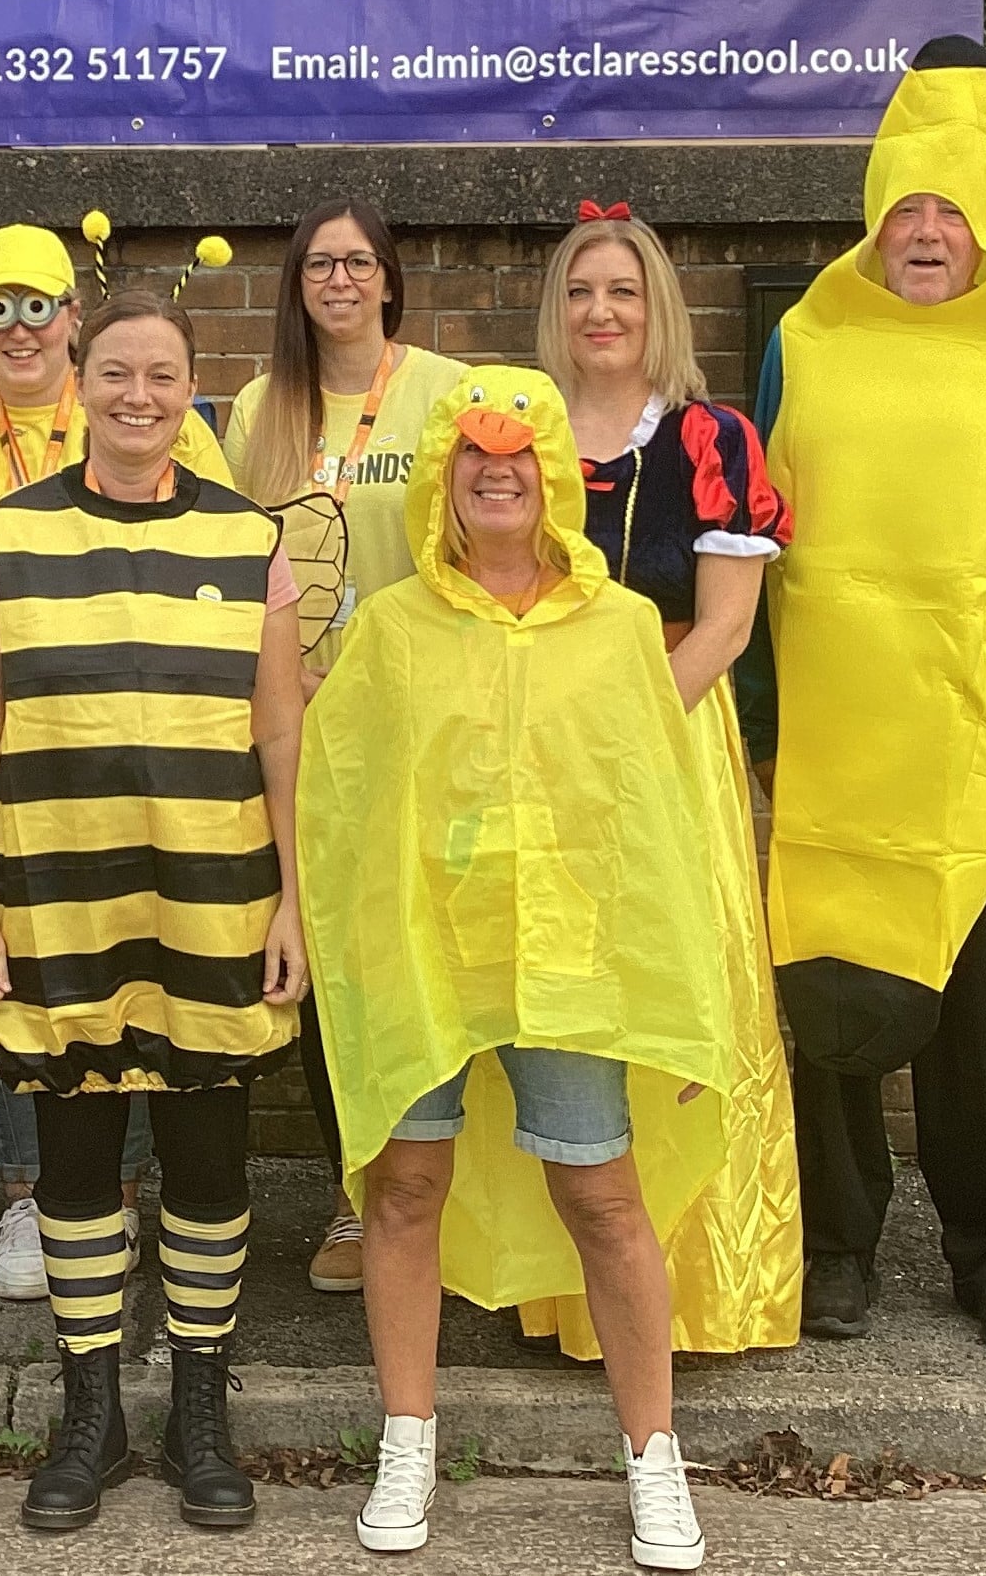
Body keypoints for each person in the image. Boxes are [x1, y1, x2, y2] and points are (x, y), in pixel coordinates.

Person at [738, 37, 986, 1360]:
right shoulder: (807, 341)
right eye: (905, 207)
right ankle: (840, 1243)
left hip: (983, 745)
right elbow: (756, 533)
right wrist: (761, 720)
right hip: (842, 742)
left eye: (949, 213)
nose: (923, 233)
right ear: (874, 213)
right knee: (834, 998)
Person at [299, 368, 733, 1569]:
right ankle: (406, 1436)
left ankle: (653, 1456)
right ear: (444, 476)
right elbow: (337, 803)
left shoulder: (623, 630)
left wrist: (683, 989)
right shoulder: (387, 632)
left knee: (602, 1198)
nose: (498, 473)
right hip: (423, 954)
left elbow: (659, 818)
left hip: (572, 961)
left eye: (521, 455)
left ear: (552, 476)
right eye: (474, 456)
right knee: (403, 1194)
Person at [0, 289, 310, 1535]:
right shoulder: (4, 534)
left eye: (162, 376)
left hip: (214, 897)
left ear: (192, 391)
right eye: (116, 375)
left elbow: (279, 730)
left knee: (208, 1166)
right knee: (78, 1169)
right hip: (54, 899)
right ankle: (89, 1413)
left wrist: (295, 903)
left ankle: (199, 1409)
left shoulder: (252, 541)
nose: (138, 397)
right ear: (80, 383)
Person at [0, 223, 230, 1301]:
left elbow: (226, 565)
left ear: (70, 322)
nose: (20, 328)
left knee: (145, 968)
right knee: (21, 983)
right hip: (1, 755)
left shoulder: (152, 422)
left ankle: (124, 1190)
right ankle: (26, 1196)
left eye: (38, 305)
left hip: (151, 772)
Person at [523, 203, 800, 1358]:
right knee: (560, 1001)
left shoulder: (709, 440)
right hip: (535, 747)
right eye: (582, 291)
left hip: (665, 731)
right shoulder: (519, 431)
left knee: (680, 982)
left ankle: (706, 1290)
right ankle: (564, 1294)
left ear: (657, 309)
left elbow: (726, 628)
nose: (601, 311)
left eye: (623, 292)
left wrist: (622, 729)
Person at [224, 201, 461, 1293]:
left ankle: (447, 1205)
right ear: (296, 284)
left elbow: (471, 549)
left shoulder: (446, 391)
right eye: (318, 263)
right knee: (330, 974)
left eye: (357, 262)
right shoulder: (261, 408)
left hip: (420, 719)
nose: (339, 280)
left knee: (430, 958)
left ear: (388, 278)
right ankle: (356, 1198)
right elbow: (230, 568)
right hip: (303, 718)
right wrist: (286, 675)